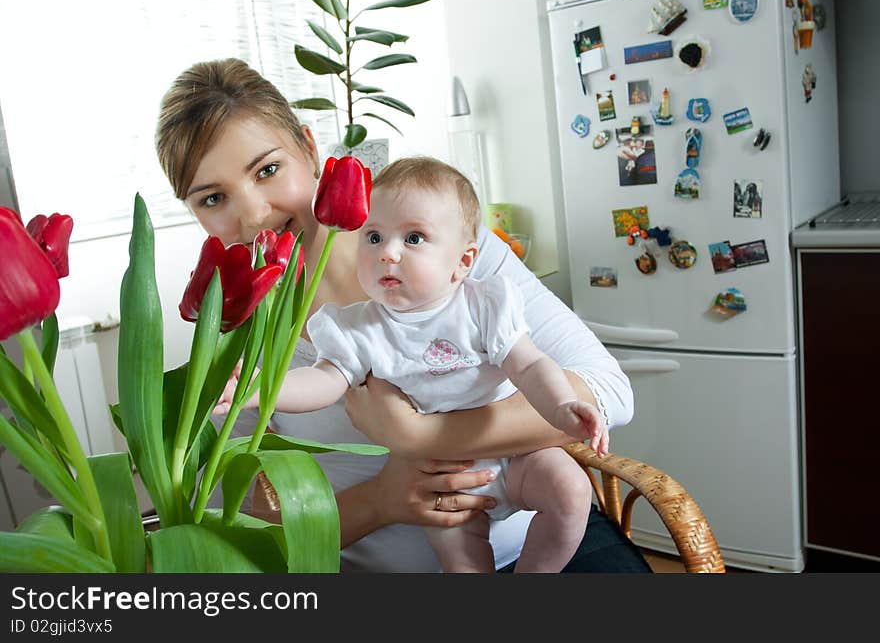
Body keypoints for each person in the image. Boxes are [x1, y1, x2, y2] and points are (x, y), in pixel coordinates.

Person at [155, 57, 646, 572]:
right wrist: (382, 500)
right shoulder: (237, 331)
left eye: (268, 170)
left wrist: (417, 436)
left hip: (539, 546)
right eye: (213, 198)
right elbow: (243, 518)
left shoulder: (445, 248)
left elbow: (607, 391)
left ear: (307, 146)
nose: (253, 214)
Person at [220, 157, 607, 572]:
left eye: (414, 238)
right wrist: (264, 389)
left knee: (571, 490)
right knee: (461, 562)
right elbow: (323, 381)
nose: (388, 253)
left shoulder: (485, 305)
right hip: (436, 478)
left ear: (462, 261)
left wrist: (563, 406)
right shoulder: (358, 327)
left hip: (514, 457)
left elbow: (531, 367)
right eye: (373, 237)